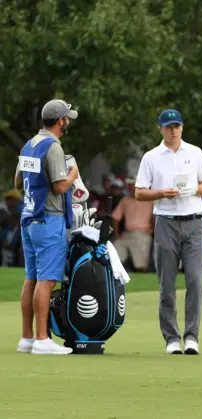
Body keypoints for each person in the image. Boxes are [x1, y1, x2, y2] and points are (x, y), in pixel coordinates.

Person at [134, 109, 202, 355]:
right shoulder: (151, 157)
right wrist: (161, 193)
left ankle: (192, 337)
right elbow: (139, 192)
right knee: (166, 283)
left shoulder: (195, 152)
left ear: (182, 127)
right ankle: (171, 338)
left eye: (177, 126)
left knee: (195, 281)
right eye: (168, 126)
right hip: (166, 222)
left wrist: (194, 189)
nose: (173, 130)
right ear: (160, 129)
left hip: (194, 223)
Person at [15, 99, 80, 355]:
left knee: (31, 278)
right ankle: (42, 339)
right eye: (67, 118)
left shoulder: (29, 144)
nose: (68, 122)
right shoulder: (53, 147)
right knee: (46, 281)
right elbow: (59, 186)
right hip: (48, 218)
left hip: (28, 218)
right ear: (60, 120)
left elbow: (18, 182)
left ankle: (27, 337)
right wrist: (72, 175)